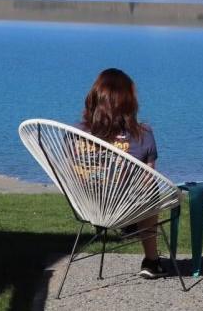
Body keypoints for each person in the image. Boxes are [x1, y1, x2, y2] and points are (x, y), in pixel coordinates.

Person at [79, 68, 168, 279]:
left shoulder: (76, 133)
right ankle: (151, 260)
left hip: (88, 207)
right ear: (129, 102)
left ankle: (120, 226)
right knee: (152, 191)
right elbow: (148, 180)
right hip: (127, 210)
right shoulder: (143, 134)